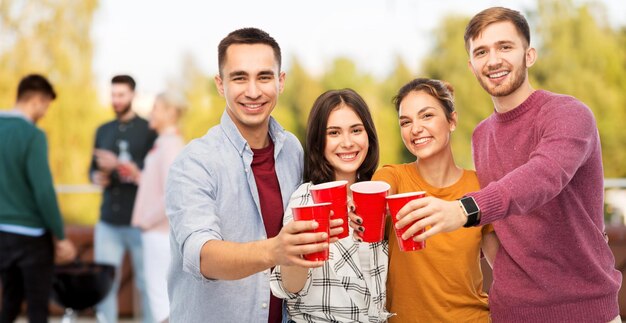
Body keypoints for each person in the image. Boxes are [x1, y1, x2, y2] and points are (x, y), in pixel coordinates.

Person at [395, 7, 621, 322]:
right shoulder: (481, 135)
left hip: (584, 309)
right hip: (511, 313)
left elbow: (544, 176)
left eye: (505, 47)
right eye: (481, 52)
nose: (494, 59)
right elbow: (499, 225)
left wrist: (462, 210)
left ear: (529, 55)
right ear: (471, 66)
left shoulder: (568, 114)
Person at [166, 27, 330, 323]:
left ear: (280, 82)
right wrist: (274, 250)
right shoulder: (194, 162)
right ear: (220, 84)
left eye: (264, 77)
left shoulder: (292, 149)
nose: (253, 91)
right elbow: (201, 255)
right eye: (239, 77)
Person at [349, 78, 498, 322]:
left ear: (452, 121)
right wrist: (354, 205)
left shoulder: (479, 186)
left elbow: (503, 271)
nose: (415, 128)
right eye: (406, 122)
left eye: (426, 116)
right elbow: (376, 191)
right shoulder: (393, 176)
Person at [270, 89, 392, 322]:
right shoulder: (306, 199)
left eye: (356, 130)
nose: (347, 143)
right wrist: (304, 246)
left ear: (369, 136)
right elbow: (290, 288)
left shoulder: (380, 193)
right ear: (319, 141)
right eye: (334, 133)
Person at [0, 74, 76, 323]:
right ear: (37, 100)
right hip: (31, 237)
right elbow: (43, 191)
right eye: (45, 106)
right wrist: (60, 235)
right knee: (37, 308)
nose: (44, 112)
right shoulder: (32, 135)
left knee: (9, 304)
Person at [89, 75, 157, 323]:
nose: (116, 100)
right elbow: (91, 170)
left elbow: (154, 173)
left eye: (121, 95)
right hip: (108, 221)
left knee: (147, 284)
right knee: (104, 283)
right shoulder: (103, 130)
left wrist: (120, 165)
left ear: (132, 96)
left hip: (141, 223)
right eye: (113, 95)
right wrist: (97, 177)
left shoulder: (149, 130)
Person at [124, 91, 187, 323]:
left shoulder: (169, 145)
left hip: (160, 234)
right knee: (161, 300)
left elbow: (172, 193)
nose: (151, 112)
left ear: (170, 112)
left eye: (156, 107)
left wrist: (145, 221)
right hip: (159, 233)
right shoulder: (165, 143)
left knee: (161, 302)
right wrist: (138, 175)